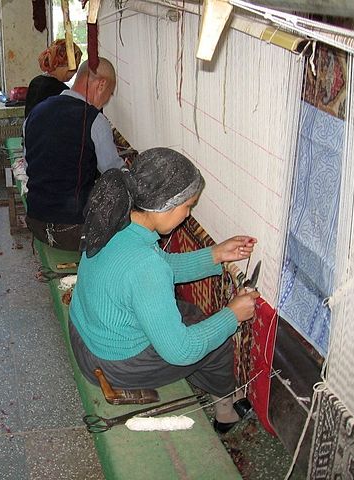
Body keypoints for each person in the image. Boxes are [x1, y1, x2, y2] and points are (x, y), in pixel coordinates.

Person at [69, 148, 260, 433]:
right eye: (188, 207)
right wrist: (233, 314)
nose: (187, 215)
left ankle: (206, 382)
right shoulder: (146, 266)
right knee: (216, 340)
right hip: (112, 364)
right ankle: (226, 411)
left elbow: (159, 266)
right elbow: (180, 351)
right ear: (166, 206)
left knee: (192, 316)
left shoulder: (115, 221)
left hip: (85, 335)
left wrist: (215, 255)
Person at [23, 57, 125, 251]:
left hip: (35, 221)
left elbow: (31, 167)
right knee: (131, 231)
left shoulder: (36, 112)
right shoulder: (95, 120)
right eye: (109, 94)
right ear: (101, 84)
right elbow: (115, 175)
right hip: (72, 231)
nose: (107, 100)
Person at [25, 39, 83, 117]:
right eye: (74, 66)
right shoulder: (60, 90)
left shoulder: (35, 82)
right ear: (59, 64)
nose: (75, 71)